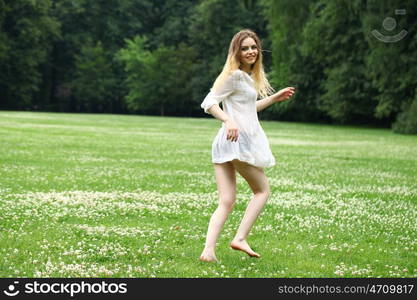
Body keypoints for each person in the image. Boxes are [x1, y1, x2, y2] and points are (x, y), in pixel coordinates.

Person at [199, 29, 295, 262]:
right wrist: (228, 119)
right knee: (262, 191)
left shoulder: (245, 77)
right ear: (237, 52)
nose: (251, 51)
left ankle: (208, 252)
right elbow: (209, 102)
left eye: (253, 47)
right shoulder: (233, 76)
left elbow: (248, 109)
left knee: (227, 200)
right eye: (245, 48)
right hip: (236, 142)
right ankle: (240, 238)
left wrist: (273, 98)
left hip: (225, 144)